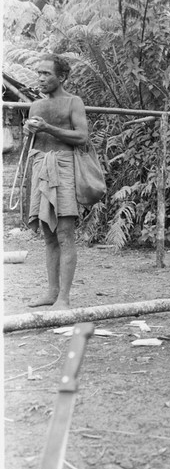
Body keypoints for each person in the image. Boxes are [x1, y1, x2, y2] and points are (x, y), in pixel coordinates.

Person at [24, 54, 88, 310]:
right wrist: (31, 132)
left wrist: (48, 128)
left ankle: (64, 297)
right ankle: (52, 292)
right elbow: (36, 142)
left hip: (64, 168)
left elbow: (82, 137)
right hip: (41, 167)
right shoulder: (35, 106)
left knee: (64, 234)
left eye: (46, 73)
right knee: (48, 235)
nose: (40, 78)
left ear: (61, 77)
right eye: (38, 73)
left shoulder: (74, 102)